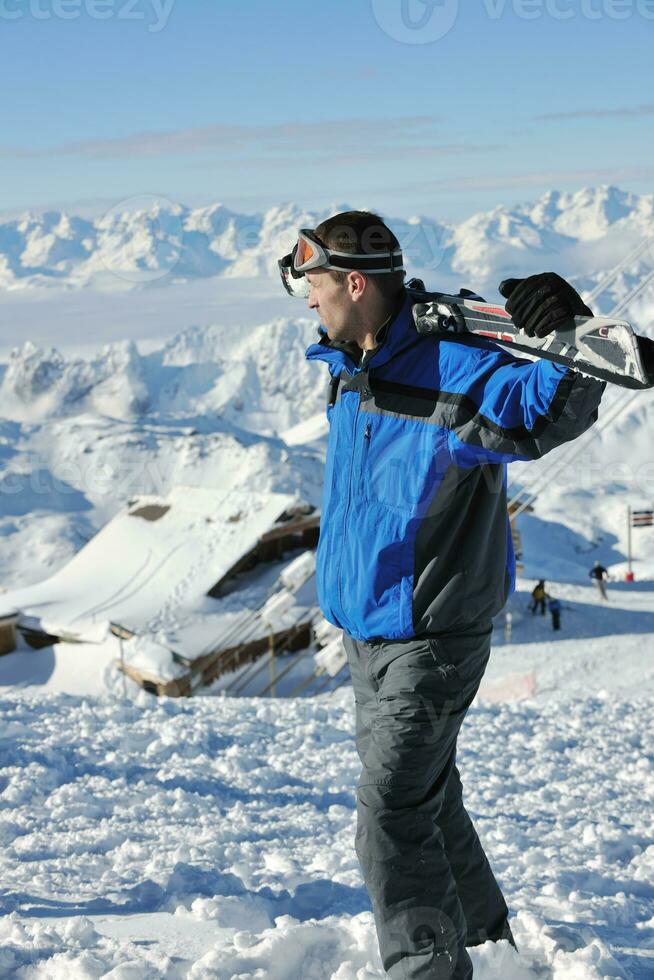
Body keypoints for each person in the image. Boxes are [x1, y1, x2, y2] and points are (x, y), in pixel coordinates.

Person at [279, 211, 604, 980]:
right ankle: (489, 951)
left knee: (389, 813)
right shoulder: (352, 365)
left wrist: (570, 332)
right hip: (369, 637)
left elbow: (545, 407)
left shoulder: (450, 368)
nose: (307, 300)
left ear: (355, 284)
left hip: (430, 638)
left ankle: (429, 971)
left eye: (315, 283)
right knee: (428, 798)